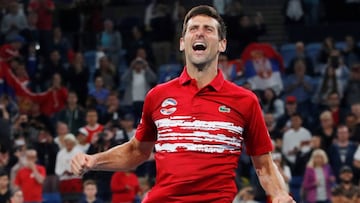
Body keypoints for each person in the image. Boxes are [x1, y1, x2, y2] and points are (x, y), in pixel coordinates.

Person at [71, 5, 294, 203]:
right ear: (182, 42)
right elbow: (136, 151)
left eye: (208, 29)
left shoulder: (245, 101)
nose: (200, 33)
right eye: (193, 28)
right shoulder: (157, 96)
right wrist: (93, 160)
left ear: (222, 44)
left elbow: (264, 165)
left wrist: (280, 195)